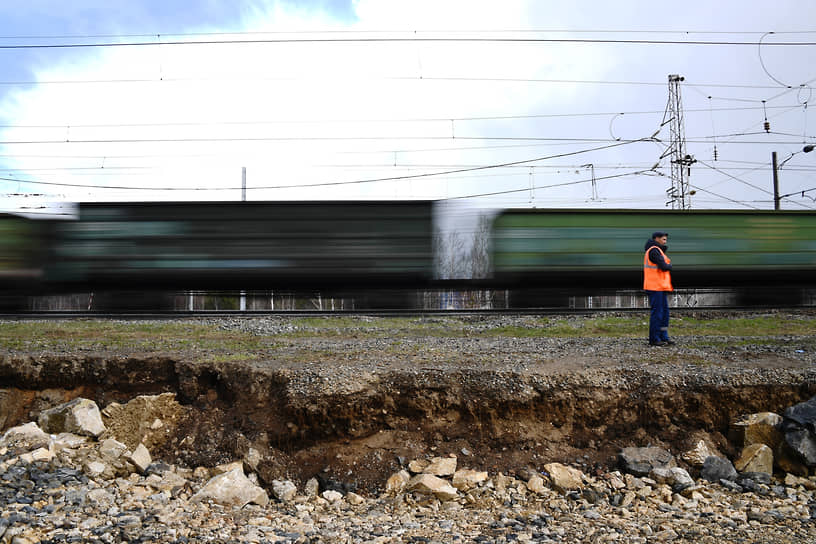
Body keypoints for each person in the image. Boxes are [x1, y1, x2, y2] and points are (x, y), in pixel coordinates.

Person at [643, 231, 675, 346]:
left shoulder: (657, 250)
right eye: (663, 239)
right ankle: (654, 339)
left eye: (666, 239)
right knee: (658, 313)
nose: (665, 241)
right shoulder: (654, 251)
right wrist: (669, 266)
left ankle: (663, 336)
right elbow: (664, 266)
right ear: (656, 239)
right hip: (654, 287)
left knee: (664, 312)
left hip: (659, 287)